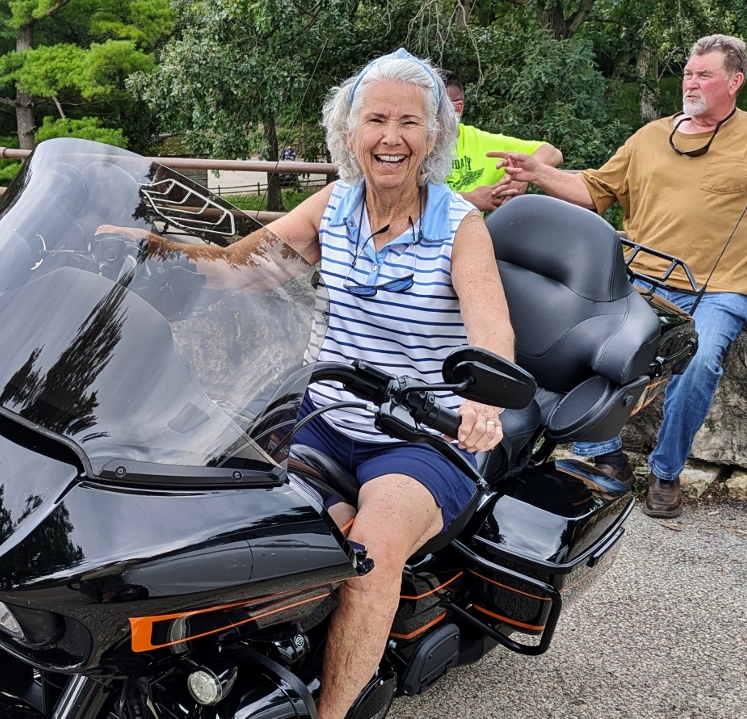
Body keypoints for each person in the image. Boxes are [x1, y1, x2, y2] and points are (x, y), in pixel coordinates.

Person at [102, 48, 513, 719]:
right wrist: (149, 246)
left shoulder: (459, 227)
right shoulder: (336, 204)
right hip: (327, 417)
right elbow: (244, 267)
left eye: (409, 121)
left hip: (421, 439)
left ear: (434, 135)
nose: (391, 136)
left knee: (369, 561)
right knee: (227, 516)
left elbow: (490, 326)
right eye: (375, 118)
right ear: (348, 133)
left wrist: (482, 397)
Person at [489, 34, 747, 519]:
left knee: (700, 360)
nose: (692, 82)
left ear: (735, 81)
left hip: (723, 288)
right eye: (689, 73)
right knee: (583, 344)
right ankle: (602, 456)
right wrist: (538, 173)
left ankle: (666, 473)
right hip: (639, 279)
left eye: (705, 74)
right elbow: (593, 190)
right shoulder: (648, 137)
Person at [441, 70, 563, 212]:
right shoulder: (414, 145)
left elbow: (552, 153)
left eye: (435, 107)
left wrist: (526, 172)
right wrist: (467, 200)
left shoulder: (482, 142)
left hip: (473, 232)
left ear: (457, 108)